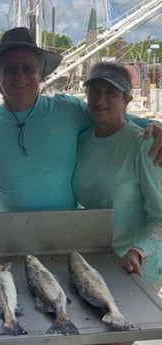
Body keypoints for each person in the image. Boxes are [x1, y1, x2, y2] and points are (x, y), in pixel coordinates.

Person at [0, 26, 162, 213]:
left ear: (41, 73)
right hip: (8, 235)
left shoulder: (68, 110)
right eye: (10, 69)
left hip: (66, 233)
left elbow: (111, 117)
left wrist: (155, 125)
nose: (20, 75)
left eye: (28, 68)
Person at [73, 62, 162, 301]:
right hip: (95, 264)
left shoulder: (145, 145)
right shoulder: (81, 141)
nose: (100, 99)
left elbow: (160, 216)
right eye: (94, 90)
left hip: (135, 268)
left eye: (111, 92)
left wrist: (139, 250)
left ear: (127, 100)